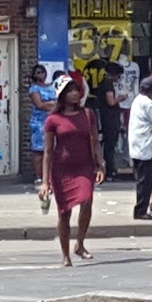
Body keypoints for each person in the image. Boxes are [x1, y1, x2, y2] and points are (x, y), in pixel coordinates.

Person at [40, 74, 106, 268]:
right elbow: (48, 151)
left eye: (76, 89)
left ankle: (80, 243)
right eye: (69, 91)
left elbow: (94, 141)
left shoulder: (87, 114)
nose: (75, 93)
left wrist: (99, 164)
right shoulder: (53, 120)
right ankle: (65, 254)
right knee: (64, 213)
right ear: (61, 95)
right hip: (61, 170)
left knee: (86, 200)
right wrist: (45, 181)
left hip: (84, 166)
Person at [128, 76, 152, 220]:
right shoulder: (148, 103)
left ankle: (141, 208)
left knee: (141, 180)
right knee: (146, 180)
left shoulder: (138, 100)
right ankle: (141, 210)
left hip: (138, 145)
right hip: (145, 146)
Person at [26, 64, 58, 184]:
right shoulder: (34, 89)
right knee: (39, 151)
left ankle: (51, 176)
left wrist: (51, 104)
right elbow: (40, 105)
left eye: (43, 72)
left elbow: (59, 102)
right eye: (38, 72)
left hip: (53, 120)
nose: (41, 75)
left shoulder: (51, 87)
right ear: (34, 75)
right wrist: (53, 104)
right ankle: (39, 176)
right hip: (39, 122)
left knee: (52, 149)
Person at [94, 62, 124, 180]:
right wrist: (121, 98)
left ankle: (108, 169)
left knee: (109, 144)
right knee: (110, 144)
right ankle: (109, 170)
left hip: (107, 116)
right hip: (110, 118)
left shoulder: (104, 83)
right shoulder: (108, 84)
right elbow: (111, 101)